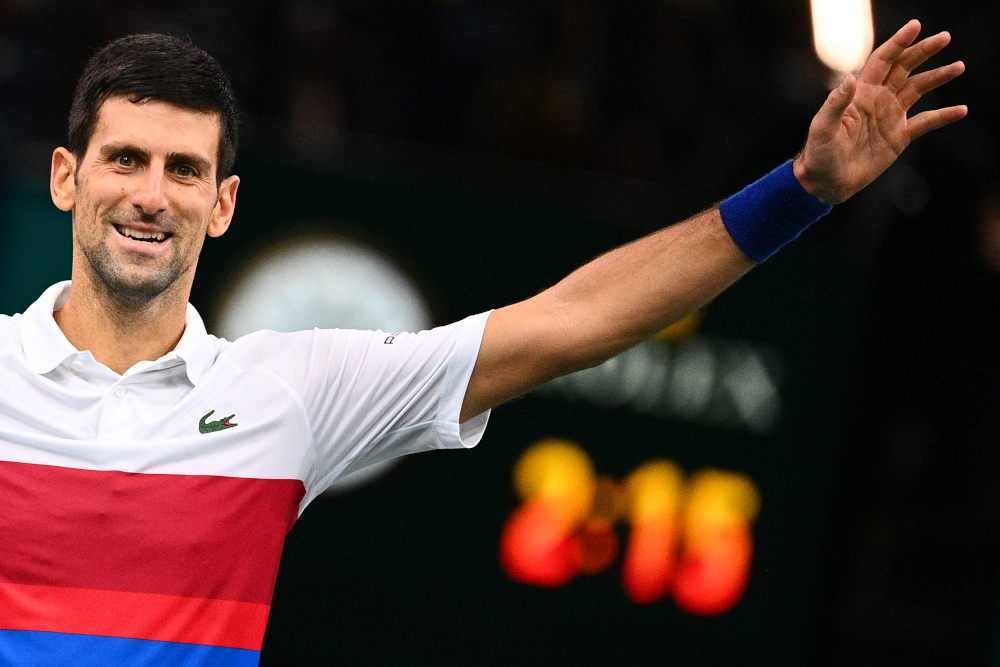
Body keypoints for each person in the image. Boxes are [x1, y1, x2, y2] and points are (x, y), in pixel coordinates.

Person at [0, 21, 965, 666]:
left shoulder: (287, 391)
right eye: (124, 158)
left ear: (222, 206)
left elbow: (571, 322)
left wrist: (799, 191)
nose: (150, 193)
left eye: (184, 169)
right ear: (64, 178)